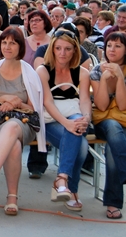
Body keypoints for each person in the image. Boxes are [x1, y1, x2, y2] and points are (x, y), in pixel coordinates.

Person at [0, 27, 46, 215]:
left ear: (20, 46)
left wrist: (16, 103)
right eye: (4, 42)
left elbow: (33, 108)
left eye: (12, 43)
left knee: (13, 126)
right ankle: (12, 197)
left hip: (23, 123)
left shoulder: (29, 72)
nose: (7, 46)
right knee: (13, 145)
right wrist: (3, 98)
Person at [89, 32, 126, 219]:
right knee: (112, 126)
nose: (112, 49)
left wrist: (120, 77)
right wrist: (104, 79)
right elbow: (102, 106)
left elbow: (123, 105)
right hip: (105, 121)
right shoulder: (96, 70)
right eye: (109, 45)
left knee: (113, 148)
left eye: (118, 46)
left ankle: (113, 201)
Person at [38, 27, 91, 211]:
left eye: (68, 49)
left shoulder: (82, 73)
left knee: (79, 131)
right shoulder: (43, 71)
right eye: (59, 48)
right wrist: (66, 123)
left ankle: (63, 181)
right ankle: (70, 188)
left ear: (75, 50)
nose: (63, 53)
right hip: (51, 119)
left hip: (73, 116)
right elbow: (47, 102)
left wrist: (86, 118)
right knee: (81, 146)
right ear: (52, 49)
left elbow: (84, 100)